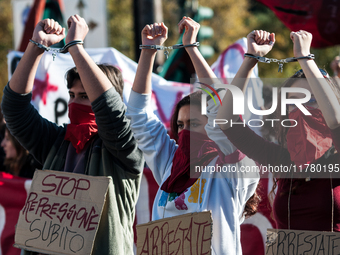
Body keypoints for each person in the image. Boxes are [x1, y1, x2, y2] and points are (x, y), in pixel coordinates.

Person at [1, 15, 144, 255]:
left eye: (85, 95)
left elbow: (110, 111)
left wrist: (75, 46)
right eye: (72, 95)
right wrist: (36, 46)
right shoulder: (56, 142)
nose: (75, 103)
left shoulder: (124, 149)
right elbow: (14, 109)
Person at [126, 17, 259, 254]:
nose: (185, 131)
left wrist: (192, 49)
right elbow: (138, 115)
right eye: (180, 124)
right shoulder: (170, 164)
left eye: (195, 123)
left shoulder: (232, 167)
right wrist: (148, 51)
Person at [217, 29, 340, 231]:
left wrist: (305, 59)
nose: (302, 108)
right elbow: (227, 121)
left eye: (312, 99)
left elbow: (335, 121)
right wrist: (250, 59)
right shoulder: (282, 160)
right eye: (294, 101)